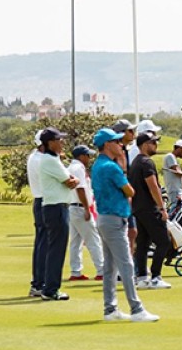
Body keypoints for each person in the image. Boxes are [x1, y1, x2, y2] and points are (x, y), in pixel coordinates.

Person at [91, 128, 159, 322]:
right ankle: (136, 308)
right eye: (115, 142)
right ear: (106, 145)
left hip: (105, 218)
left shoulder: (98, 165)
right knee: (127, 264)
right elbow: (130, 191)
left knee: (110, 267)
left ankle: (110, 309)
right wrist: (122, 166)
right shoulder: (111, 167)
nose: (120, 145)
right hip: (114, 219)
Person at [38, 127, 79, 301]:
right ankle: (51, 289)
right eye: (59, 140)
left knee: (55, 249)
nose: (62, 142)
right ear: (50, 143)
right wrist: (75, 180)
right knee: (57, 250)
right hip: (56, 208)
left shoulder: (53, 159)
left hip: (56, 207)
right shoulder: (50, 161)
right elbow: (70, 182)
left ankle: (50, 287)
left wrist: (72, 179)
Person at [129, 132, 172, 289]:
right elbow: (153, 186)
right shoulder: (146, 163)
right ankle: (155, 276)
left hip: (137, 209)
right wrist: (162, 208)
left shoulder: (135, 162)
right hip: (149, 208)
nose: (156, 145)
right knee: (163, 241)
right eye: (154, 142)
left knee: (143, 244)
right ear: (145, 144)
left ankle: (141, 277)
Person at [66, 145, 104, 281]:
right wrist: (87, 208)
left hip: (72, 207)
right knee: (93, 239)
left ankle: (76, 271)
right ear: (81, 156)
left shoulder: (72, 167)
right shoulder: (78, 168)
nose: (89, 158)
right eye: (87, 155)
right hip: (80, 207)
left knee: (76, 242)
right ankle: (102, 270)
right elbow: (80, 189)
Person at [111, 119, 138, 255]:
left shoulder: (125, 151)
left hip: (126, 197)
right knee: (128, 232)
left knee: (132, 232)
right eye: (130, 131)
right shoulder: (117, 153)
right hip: (120, 198)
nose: (133, 134)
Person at [27, 130, 46, 297]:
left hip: (40, 201)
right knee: (45, 245)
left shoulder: (34, 156)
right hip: (45, 201)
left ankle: (39, 282)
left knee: (41, 243)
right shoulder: (41, 160)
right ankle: (40, 283)